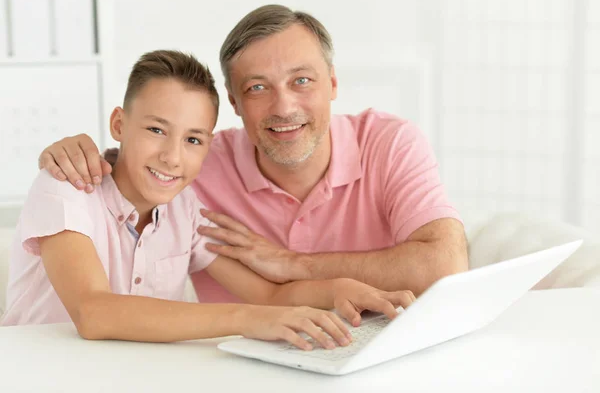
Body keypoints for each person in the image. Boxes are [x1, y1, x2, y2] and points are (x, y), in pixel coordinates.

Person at [38, 4, 468, 304]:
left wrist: (292, 264)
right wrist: (76, 154)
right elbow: (143, 163)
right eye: (257, 88)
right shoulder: (200, 164)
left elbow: (445, 264)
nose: (283, 107)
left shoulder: (390, 143)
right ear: (234, 102)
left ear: (333, 84)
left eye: (302, 80)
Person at [2, 50, 416, 351]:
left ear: (209, 146)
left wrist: (343, 289)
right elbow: (94, 312)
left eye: (193, 139)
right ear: (119, 124)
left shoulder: (187, 211)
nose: (172, 156)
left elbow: (268, 297)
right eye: (156, 130)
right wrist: (248, 319)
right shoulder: (66, 187)